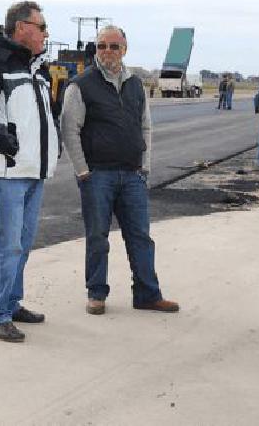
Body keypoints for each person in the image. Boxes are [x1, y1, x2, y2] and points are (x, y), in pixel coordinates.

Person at [60, 25, 180, 316]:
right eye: (102, 46)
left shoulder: (135, 84)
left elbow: (146, 126)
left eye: (114, 46)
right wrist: (82, 171)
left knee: (140, 237)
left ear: (124, 49)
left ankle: (147, 294)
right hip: (97, 176)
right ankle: (96, 294)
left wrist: (145, 166)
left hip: (132, 175)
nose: (108, 52)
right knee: (98, 237)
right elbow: (69, 130)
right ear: (96, 49)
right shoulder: (81, 85)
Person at [0, 0, 62, 343]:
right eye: (42, 26)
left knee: (22, 243)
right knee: (7, 245)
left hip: (35, 171)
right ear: (22, 27)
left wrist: (54, 146)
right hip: (10, 173)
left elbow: (47, 115)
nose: (46, 32)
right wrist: (10, 147)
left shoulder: (37, 68)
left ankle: (11, 302)